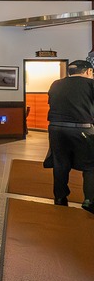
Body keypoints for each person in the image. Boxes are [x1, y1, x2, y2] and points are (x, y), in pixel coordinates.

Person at [47, 59, 94, 214]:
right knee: (90, 165)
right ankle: (89, 200)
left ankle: (60, 198)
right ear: (88, 71)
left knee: (60, 164)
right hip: (82, 128)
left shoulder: (56, 84)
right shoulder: (90, 84)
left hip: (55, 128)